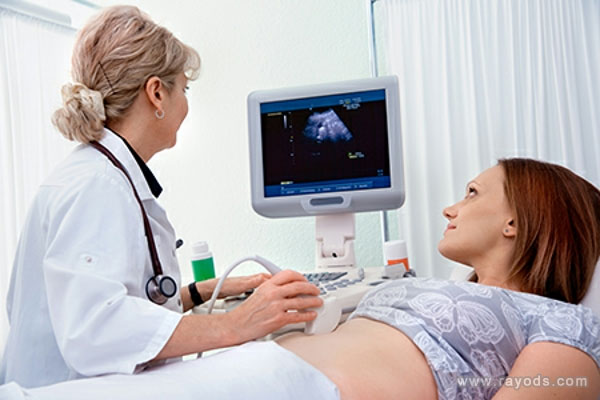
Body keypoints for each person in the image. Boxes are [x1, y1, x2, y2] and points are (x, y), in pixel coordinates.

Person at [0, 5, 322, 389]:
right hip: (64, 390)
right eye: (183, 89)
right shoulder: (97, 186)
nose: (185, 104)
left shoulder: (97, 174)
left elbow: (113, 303)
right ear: (156, 93)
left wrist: (200, 293)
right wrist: (237, 323)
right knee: (276, 368)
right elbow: (95, 332)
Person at [277, 158, 600, 400]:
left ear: (514, 222)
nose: (449, 210)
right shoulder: (425, 285)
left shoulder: (564, 322)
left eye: (472, 193)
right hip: (268, 368)